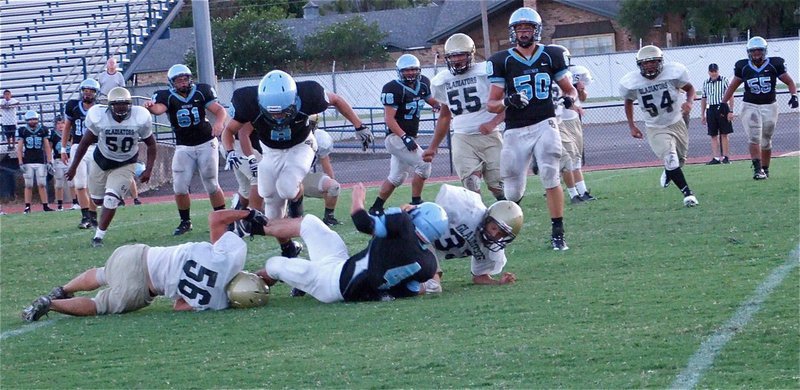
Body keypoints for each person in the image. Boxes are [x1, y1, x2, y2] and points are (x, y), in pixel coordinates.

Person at [221, 69, 372, 260]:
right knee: (270, 205)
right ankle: (288, 248)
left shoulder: (310, 94)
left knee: (286, 188)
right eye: (272, 112)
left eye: (283, 111)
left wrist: (359, 125)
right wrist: (230, 152)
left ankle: (297, 203)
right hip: (270, 151)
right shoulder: (248, 101)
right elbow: (229, 131)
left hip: (301, 146)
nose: (277, 117)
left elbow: (336, 100)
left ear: (293, 100)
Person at [20, 209, 268, 322]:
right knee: (99, 306)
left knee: (104, 273)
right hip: (140, 287)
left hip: (138, 254)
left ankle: (61, 289)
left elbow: (216, 218)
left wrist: (247, 214)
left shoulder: (229, 257)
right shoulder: (215, 303)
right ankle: (50, 304)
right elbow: (178, 306)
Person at [251, 182, 447, 303]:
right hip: (342, 266)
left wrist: (357, 200)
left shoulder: (403, 224)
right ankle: (254, 227)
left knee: (275, 264)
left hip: (331, 284)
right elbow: (409, 290)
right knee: (311, 224)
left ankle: (251, 283)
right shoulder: (428, 264)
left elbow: (362, 222)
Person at [486, 7, 577, 250]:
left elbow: (570, 89)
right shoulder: (501, 60)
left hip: (545, 123)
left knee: (550, 172)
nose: (523, 32)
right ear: (513, 32)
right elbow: (492, 104)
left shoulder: (552, 55)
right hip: (515, 129)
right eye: (519, 28)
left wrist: (571, 98)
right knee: (513, 188)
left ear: (536, 30)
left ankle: (558, 231)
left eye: (528, 28)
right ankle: (503, 229)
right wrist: (508, 101)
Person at [67, 87, 158, 248]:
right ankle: (93, 210)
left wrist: (149, 169)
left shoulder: (140, 117)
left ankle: (98, 236)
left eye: (124, 104)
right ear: (110, 106)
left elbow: (151, 144)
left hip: (126, 163)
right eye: (117, 104)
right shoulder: (99, 117)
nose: (121, 108)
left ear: (130, 104)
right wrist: (74, 166)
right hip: (101, 161)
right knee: (97, 199)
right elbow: (84, 143)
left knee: (111, 198)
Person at [144, 64, 228, 236]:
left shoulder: (201, 91)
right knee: (180, 187)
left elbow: (219, 110)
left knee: (211, 183)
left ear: (190, 79)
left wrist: (219, 123)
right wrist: (150, 107)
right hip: (183, 146)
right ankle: (185, 222)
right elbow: (159, 110)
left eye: (185, 79)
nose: (182, 83)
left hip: (206, 142)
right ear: (172, 83)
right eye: (178, 80)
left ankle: (223, 218)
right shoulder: (166, 96)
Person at [619, 45, 698, 207]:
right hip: (655, 127)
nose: (649, 66)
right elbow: (628, 101)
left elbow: (690, 89)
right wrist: (632, 126)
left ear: (660, 62)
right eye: (645, 63)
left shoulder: (672, 73)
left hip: (677, 122)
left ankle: (669, 171)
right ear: (639, 65)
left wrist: (689, 102)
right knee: (670, 158)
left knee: (680, 160)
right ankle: (688, 194)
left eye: (653, 62)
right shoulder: (632, 82)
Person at [429, 33, 505, 200]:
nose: (456, 60)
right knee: (471, 184)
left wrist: (493, 123)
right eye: (453, 56)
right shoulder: (442, 80)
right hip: (462, 138)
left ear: (470, 54)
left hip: (490, 137)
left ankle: (505, 215)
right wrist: (433, 147)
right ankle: (479, 222)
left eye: (460, 55)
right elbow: (444, 117)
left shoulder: (486, 72)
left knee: (499, 187)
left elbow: (507, 105)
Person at [369, 54, 446, 214]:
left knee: (397, 178)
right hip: (396, 138)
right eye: (406, 70)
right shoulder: (392, 88)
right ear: (399, 72)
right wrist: (404, 138)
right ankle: (416, 202)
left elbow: (429, 99)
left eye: (413, 69)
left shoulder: (423, 82)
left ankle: (376, 207)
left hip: (409, 137)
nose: (410, 73)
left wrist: (439, 106)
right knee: (424, 164)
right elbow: (389, 119)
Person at [719, 36, 798, 180]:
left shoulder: (775, 64)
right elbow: (732, 86)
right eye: (753, 51)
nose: (756, 53)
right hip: (750, 105)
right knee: (754, 136)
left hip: (770, 105)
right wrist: (723, 103)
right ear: (748, 52)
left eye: (759, 50)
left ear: (764, 51)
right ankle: (757, 169)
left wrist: (794, 95)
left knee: (766, 139)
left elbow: (790, 81)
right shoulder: (743, 66)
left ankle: (765, 169)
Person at [423, 184, 521, 293]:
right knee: (433, 283)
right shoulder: (470, 209)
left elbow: (479, 277)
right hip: (420, 238)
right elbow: (436, 207)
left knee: (425, 282)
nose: (494, 235)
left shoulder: (493, 249)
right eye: (494, 228)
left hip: (428, 255)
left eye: (501, 234)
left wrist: (498, 283)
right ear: (488, 219)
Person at [62, 79, 101, 229]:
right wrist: (63, 149)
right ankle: (85, 217)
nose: (88, 94)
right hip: (78, 147)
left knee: (95, 186)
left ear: (96, 93)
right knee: (79, 184)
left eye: (91, 91)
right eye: (86, 91)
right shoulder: (72, 105)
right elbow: (66, 127)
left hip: (96, 147)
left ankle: (92, 215)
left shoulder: (100, 108)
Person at [302, 118, 343, 226]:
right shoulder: (282, 135)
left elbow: (326, 164)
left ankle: (329, 217)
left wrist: (331, 190)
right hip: (279, 177)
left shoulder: (319, 139)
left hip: (303, 177)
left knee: (334, 186)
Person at [16, 110, 54, 213]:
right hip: (28, 161)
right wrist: (20, 162)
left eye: (35, 119)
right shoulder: (22, 131)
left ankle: (45, 206)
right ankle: (27, 207)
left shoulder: (43, 130)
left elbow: (47, 147)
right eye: (31, 119)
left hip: (40, 161)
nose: (33, 121)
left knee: (42, 184)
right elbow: (19, 148)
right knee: (28, 185)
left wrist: (49, 161)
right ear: (27, 121)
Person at [701, 63, 733, 165]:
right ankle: (716, 157)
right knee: (713, 135)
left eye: (715, 71)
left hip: (722, 107)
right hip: (711, 109)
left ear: (718, 71)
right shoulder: (706, 83)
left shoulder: (724, 80)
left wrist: (730, 111)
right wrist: (703, 114)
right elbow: (704, 98)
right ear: (708, 72)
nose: (713, 73)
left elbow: (730, 95)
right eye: (712, 71)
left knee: (724, 133)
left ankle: (726, 156)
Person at [48, 116, 78, 211]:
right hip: (58, 160)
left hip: (69, 159)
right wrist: (50, 161)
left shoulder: (71, 133)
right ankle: (60, 205)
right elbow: (50, 148)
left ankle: (75, 202)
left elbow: (73, 146)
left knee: (72, 183)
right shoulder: (53, 135)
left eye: (62, 123)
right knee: (59, 184)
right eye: (58, 123)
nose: (60, 125)